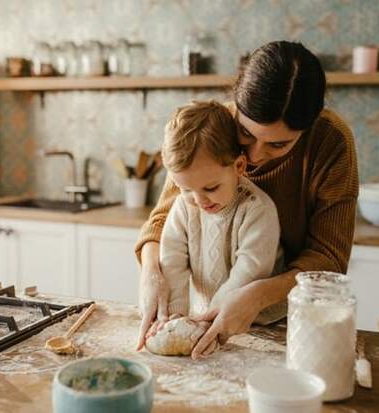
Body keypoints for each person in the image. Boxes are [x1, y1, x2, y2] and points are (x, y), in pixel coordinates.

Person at [135, 40, 359, 359]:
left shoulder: (331, 141)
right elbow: (163, 221)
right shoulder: (212, 128)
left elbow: (329, 259)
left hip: (289, 317)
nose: (253, 156)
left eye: (278, 145)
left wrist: (255, 295)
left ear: (308, 128)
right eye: (246, 133)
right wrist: (151, 273)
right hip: (205, 315)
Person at [143, 101, 285, 350]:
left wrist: (209, 320)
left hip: (264, 325)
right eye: (186, 189)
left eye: (211, 188)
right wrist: (175, 316)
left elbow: (249, 270)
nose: (199, 201)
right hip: (205, 317)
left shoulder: (257, 210)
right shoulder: (184, 206)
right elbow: (172, 258)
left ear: (239, 166)